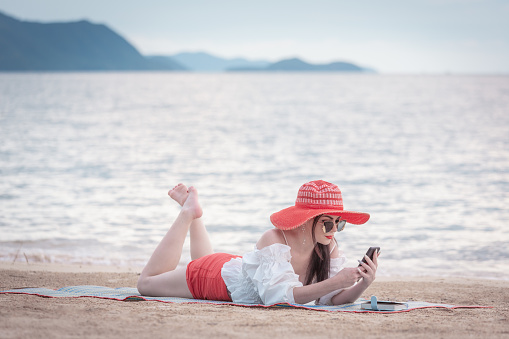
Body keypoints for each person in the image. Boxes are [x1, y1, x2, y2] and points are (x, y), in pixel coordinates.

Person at [137, 180, 379, 305]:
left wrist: (362, 284)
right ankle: (188, 213)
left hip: (231, 267)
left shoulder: (329, 246)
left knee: (201, 258)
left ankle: (193, 210)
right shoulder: (273, 239)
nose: (335, 230)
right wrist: (336, 281)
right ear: (307, 221)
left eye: (340, 223)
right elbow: (280, 298)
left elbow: (330, 299)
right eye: (328, 223)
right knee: (146, 284)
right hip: (210, 278)